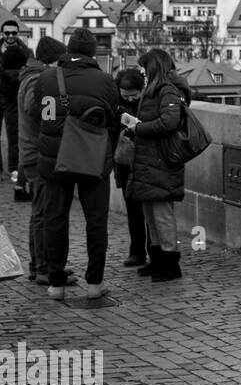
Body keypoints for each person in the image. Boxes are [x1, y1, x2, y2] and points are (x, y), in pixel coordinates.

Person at [28, 28, 119, 300]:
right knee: (96, 221)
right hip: (93, 159)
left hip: (54, 160)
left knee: (55, 219)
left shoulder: (45, 79)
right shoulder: (104, 80)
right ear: (92, 52)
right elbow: (112, 119)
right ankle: (94, 283)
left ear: (68, 49)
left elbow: (36, 116)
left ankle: (56, 284)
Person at [121, 49, 191, 283]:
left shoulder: (168, 90)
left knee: (162, 214)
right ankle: (157, 260)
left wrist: (139, 128)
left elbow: (169, 122)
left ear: (153, 68)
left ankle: (170, 263)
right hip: (148, 160)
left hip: (161, 161)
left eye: (144, 68)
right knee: (150, 212)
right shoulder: (154, 90)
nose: (141, 73)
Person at [16, 37, 65, 283]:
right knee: (45, 212)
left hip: (31, 152)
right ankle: (44, 267)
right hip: (37, 153)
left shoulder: (30, 76)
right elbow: (34, 109)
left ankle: (40, 264)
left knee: (40, 210)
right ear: (51, 61)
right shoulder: (37, 80)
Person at [113, 67, 148, 268]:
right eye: (126, 96)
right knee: (133, 210)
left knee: (149, 210)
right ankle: (137, 251)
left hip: (145, 161)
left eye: (134, 96)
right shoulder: (116, 104)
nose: (130, 99)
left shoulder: (148, 102)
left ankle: (151, 249)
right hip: (125, 161)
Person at [2, 20, 32, 200]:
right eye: (7, 33)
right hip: (3, 94)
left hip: (14, 96)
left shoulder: (25, 52)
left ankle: (14, 169)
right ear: (3, 34)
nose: (11, 36)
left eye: (14, 33)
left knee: (15, 133)